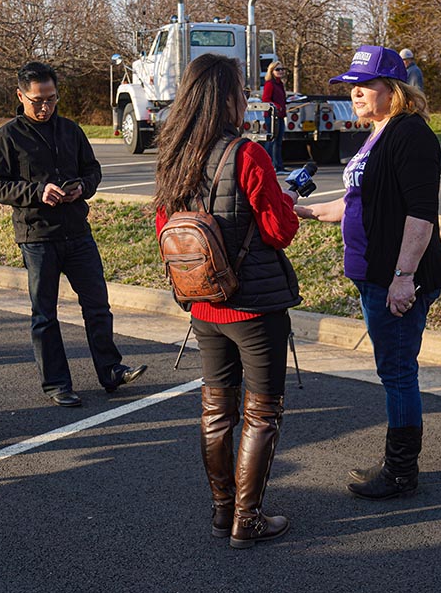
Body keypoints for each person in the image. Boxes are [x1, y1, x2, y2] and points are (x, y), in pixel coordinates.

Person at [295, 45, 441, 500]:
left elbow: (421, 214)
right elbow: (355, 203)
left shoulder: (411, 135)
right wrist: (304, 211)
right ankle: (397, 464)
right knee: (392, 369)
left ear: (395, 89)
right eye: (352, 85)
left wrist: (404, 277)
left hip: (393, 279)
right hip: (373, 276)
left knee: (398, 372)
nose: (356, 93)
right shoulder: (378, 133)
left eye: (365, 85)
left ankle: (401, 472)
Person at [154, 53, 301, 548]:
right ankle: (248, 518)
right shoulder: (247, 154)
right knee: (261, 413)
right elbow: (279, 231)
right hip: (254, 306)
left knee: (216, 411)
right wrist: (285, 202)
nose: (246, 98)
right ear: (227, 98)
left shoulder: (173, 155)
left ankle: (222, 511)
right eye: (241, 91)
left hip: (202, 302)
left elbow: (166, 231)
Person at [0, 62, 146, 408]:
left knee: (97, 305)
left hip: (77, 231)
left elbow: (93, 170)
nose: (45, 107)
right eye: (37, 101)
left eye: (51, 99)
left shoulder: (71, 130)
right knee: (45, 314)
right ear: (20, 96)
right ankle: (56, 383)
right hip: (37, 236)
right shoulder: (6, 137)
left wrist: (82, 187)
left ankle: (111, 369)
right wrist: (37, 192)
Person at [261, 61, 288, 174]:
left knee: (279, 142)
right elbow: (266, 99)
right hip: (272, 116)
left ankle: (279, 166)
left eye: (282, 69)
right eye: (278, 69)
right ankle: (268, 165)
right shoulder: (270, 84)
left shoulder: (280, 84)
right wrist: (277, 106)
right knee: (272, 140)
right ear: (271, 71)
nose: (281, 71)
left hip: (280, 116)